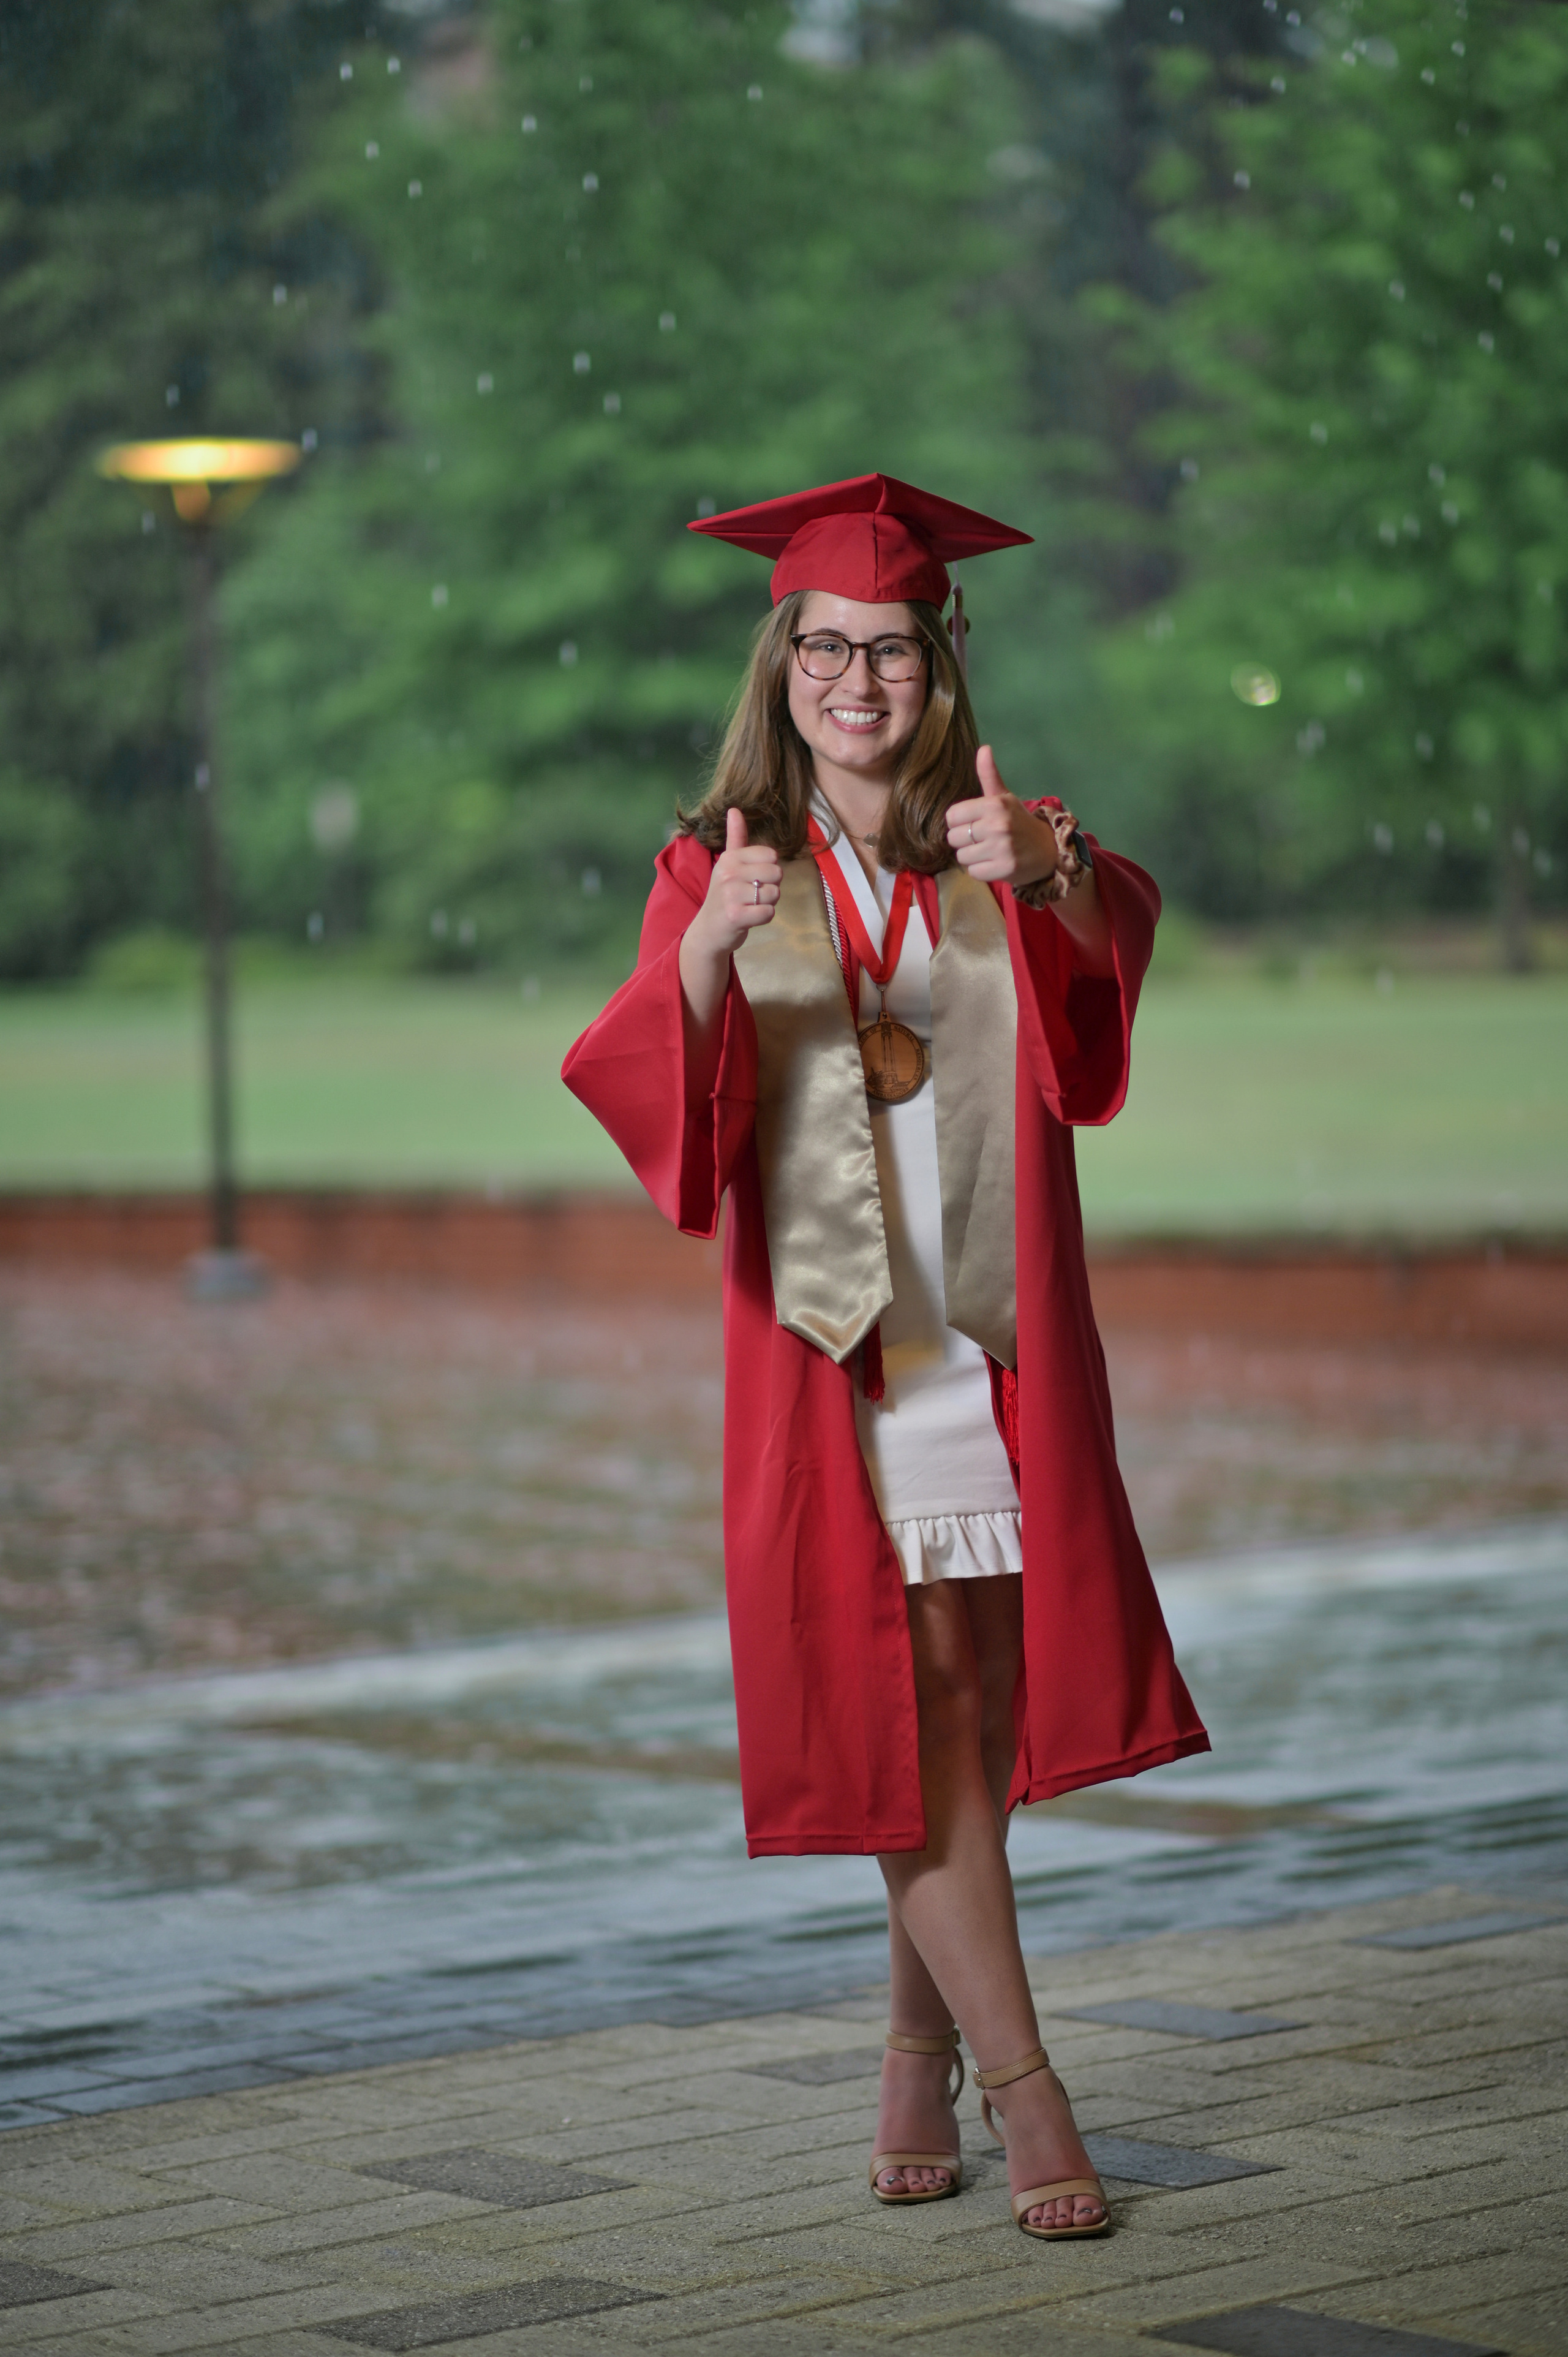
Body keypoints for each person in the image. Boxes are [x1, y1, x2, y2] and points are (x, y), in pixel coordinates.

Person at [563, 472, 1209, 2241]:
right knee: (913, 1716)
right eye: (828, 649)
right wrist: (702, 951)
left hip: (989, 1339)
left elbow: (1103, 995)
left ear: (940, 663)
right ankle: (1027, 2087)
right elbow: (648, 1093)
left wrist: (1059, 871)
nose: (861, 682)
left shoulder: (1002, 837)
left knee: (973, 1716)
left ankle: (913, 2057)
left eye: (896, 651)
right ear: (780, 662)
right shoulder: (718, 865)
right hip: (839, 1361)